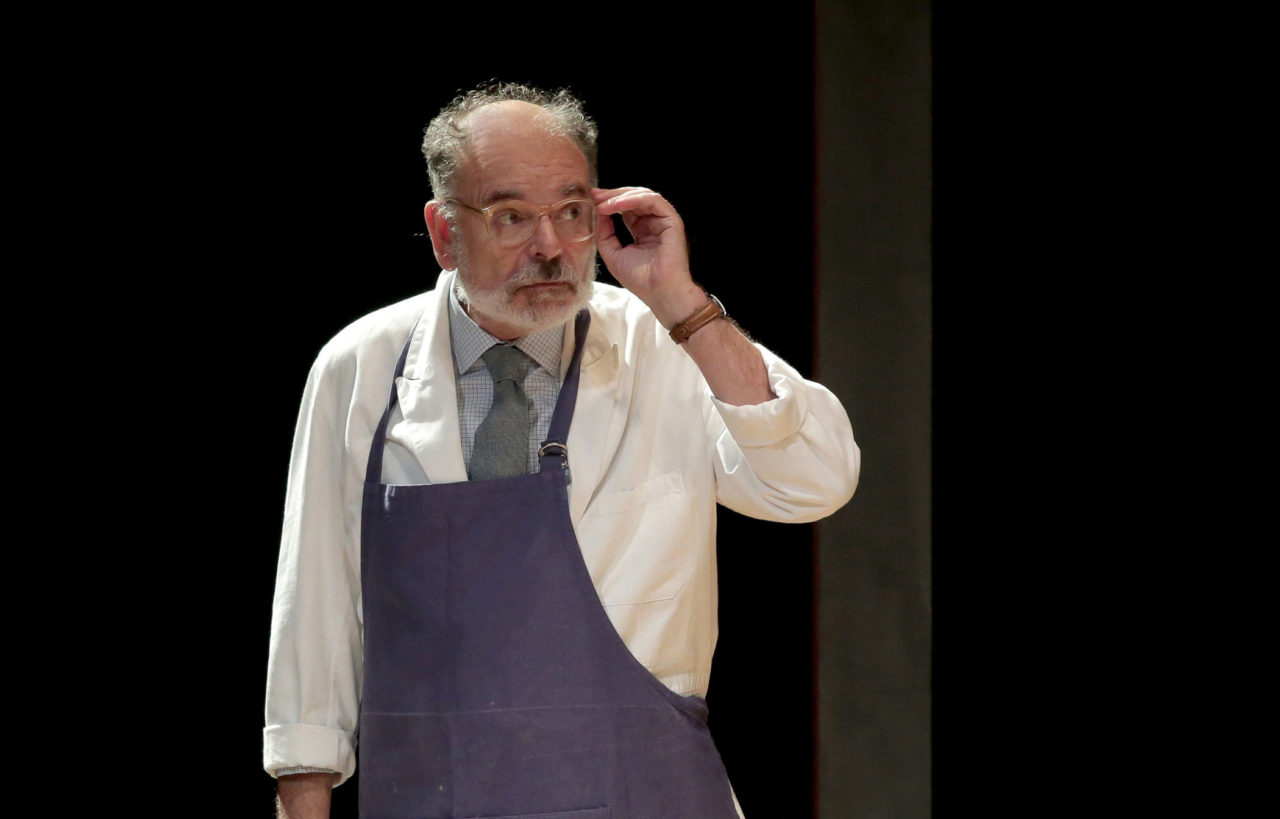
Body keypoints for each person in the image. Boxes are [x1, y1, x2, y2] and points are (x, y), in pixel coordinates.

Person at [264, 81, 860, 818]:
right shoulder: (362, 365)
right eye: (512, 216)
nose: (549, 247)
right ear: (444, 232)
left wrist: (681, 303)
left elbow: (814, 482)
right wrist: (303, 795)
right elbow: (316, 606)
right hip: (437, 796)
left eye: (571, 212)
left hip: (645, 794)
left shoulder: (665, 342)